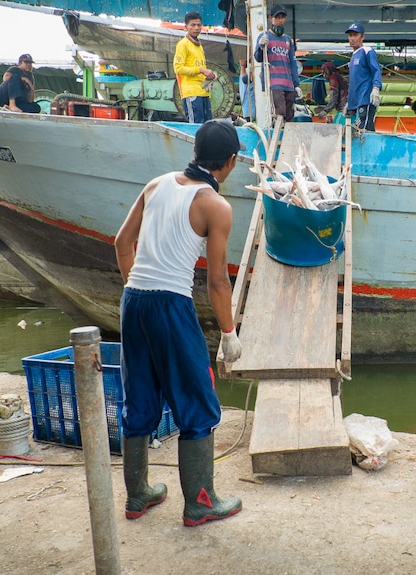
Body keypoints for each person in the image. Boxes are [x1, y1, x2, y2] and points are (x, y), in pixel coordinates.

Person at [114, 119, 244, 527]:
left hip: (133, 300)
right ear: (232, 161)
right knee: (197, 404)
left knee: (140, 399)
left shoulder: (155, 184)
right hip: (171, 303)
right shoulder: (215, 206)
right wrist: (229, 333)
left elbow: (121, 244)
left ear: (195, 153)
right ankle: (201, 502)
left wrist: (138, 293)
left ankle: (138, 495)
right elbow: (218, 280)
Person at [254, 4, 302, 121]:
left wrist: (296, 85)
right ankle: (277, 134)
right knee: (280, 113)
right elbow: (258, 58)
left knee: (290, 115)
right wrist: (261, 47)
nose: (280, 20)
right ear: (271, 19)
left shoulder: (287, 40)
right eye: (277, 17)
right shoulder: (265, 36)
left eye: (282, 17)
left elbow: (292, 63)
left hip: (288, 84)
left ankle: (285, 137)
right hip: (274, 83)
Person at [173, 11, 217, 123]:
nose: (197, 28)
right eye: (193, 25)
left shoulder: (199, 45)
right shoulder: (183, 44)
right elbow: (178, 68)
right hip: (191, 92)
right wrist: (201, 70)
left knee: (208, 126)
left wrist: (209, 74)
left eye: (199, 25)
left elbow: (200, 68)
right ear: (186, 27)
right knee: (195, 127)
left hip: (203, 92)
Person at [345, 22, 382, 131]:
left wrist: (376, 88)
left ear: (362, 36)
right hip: (357, 101)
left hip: (366, 98)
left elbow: (376, 70)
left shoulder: (367, 51)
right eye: (350, 35)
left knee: (363, 129)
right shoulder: (353, 57)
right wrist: (349, 102)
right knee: (364, 129)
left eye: (355, 35)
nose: (352, 38)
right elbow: (354, 82)